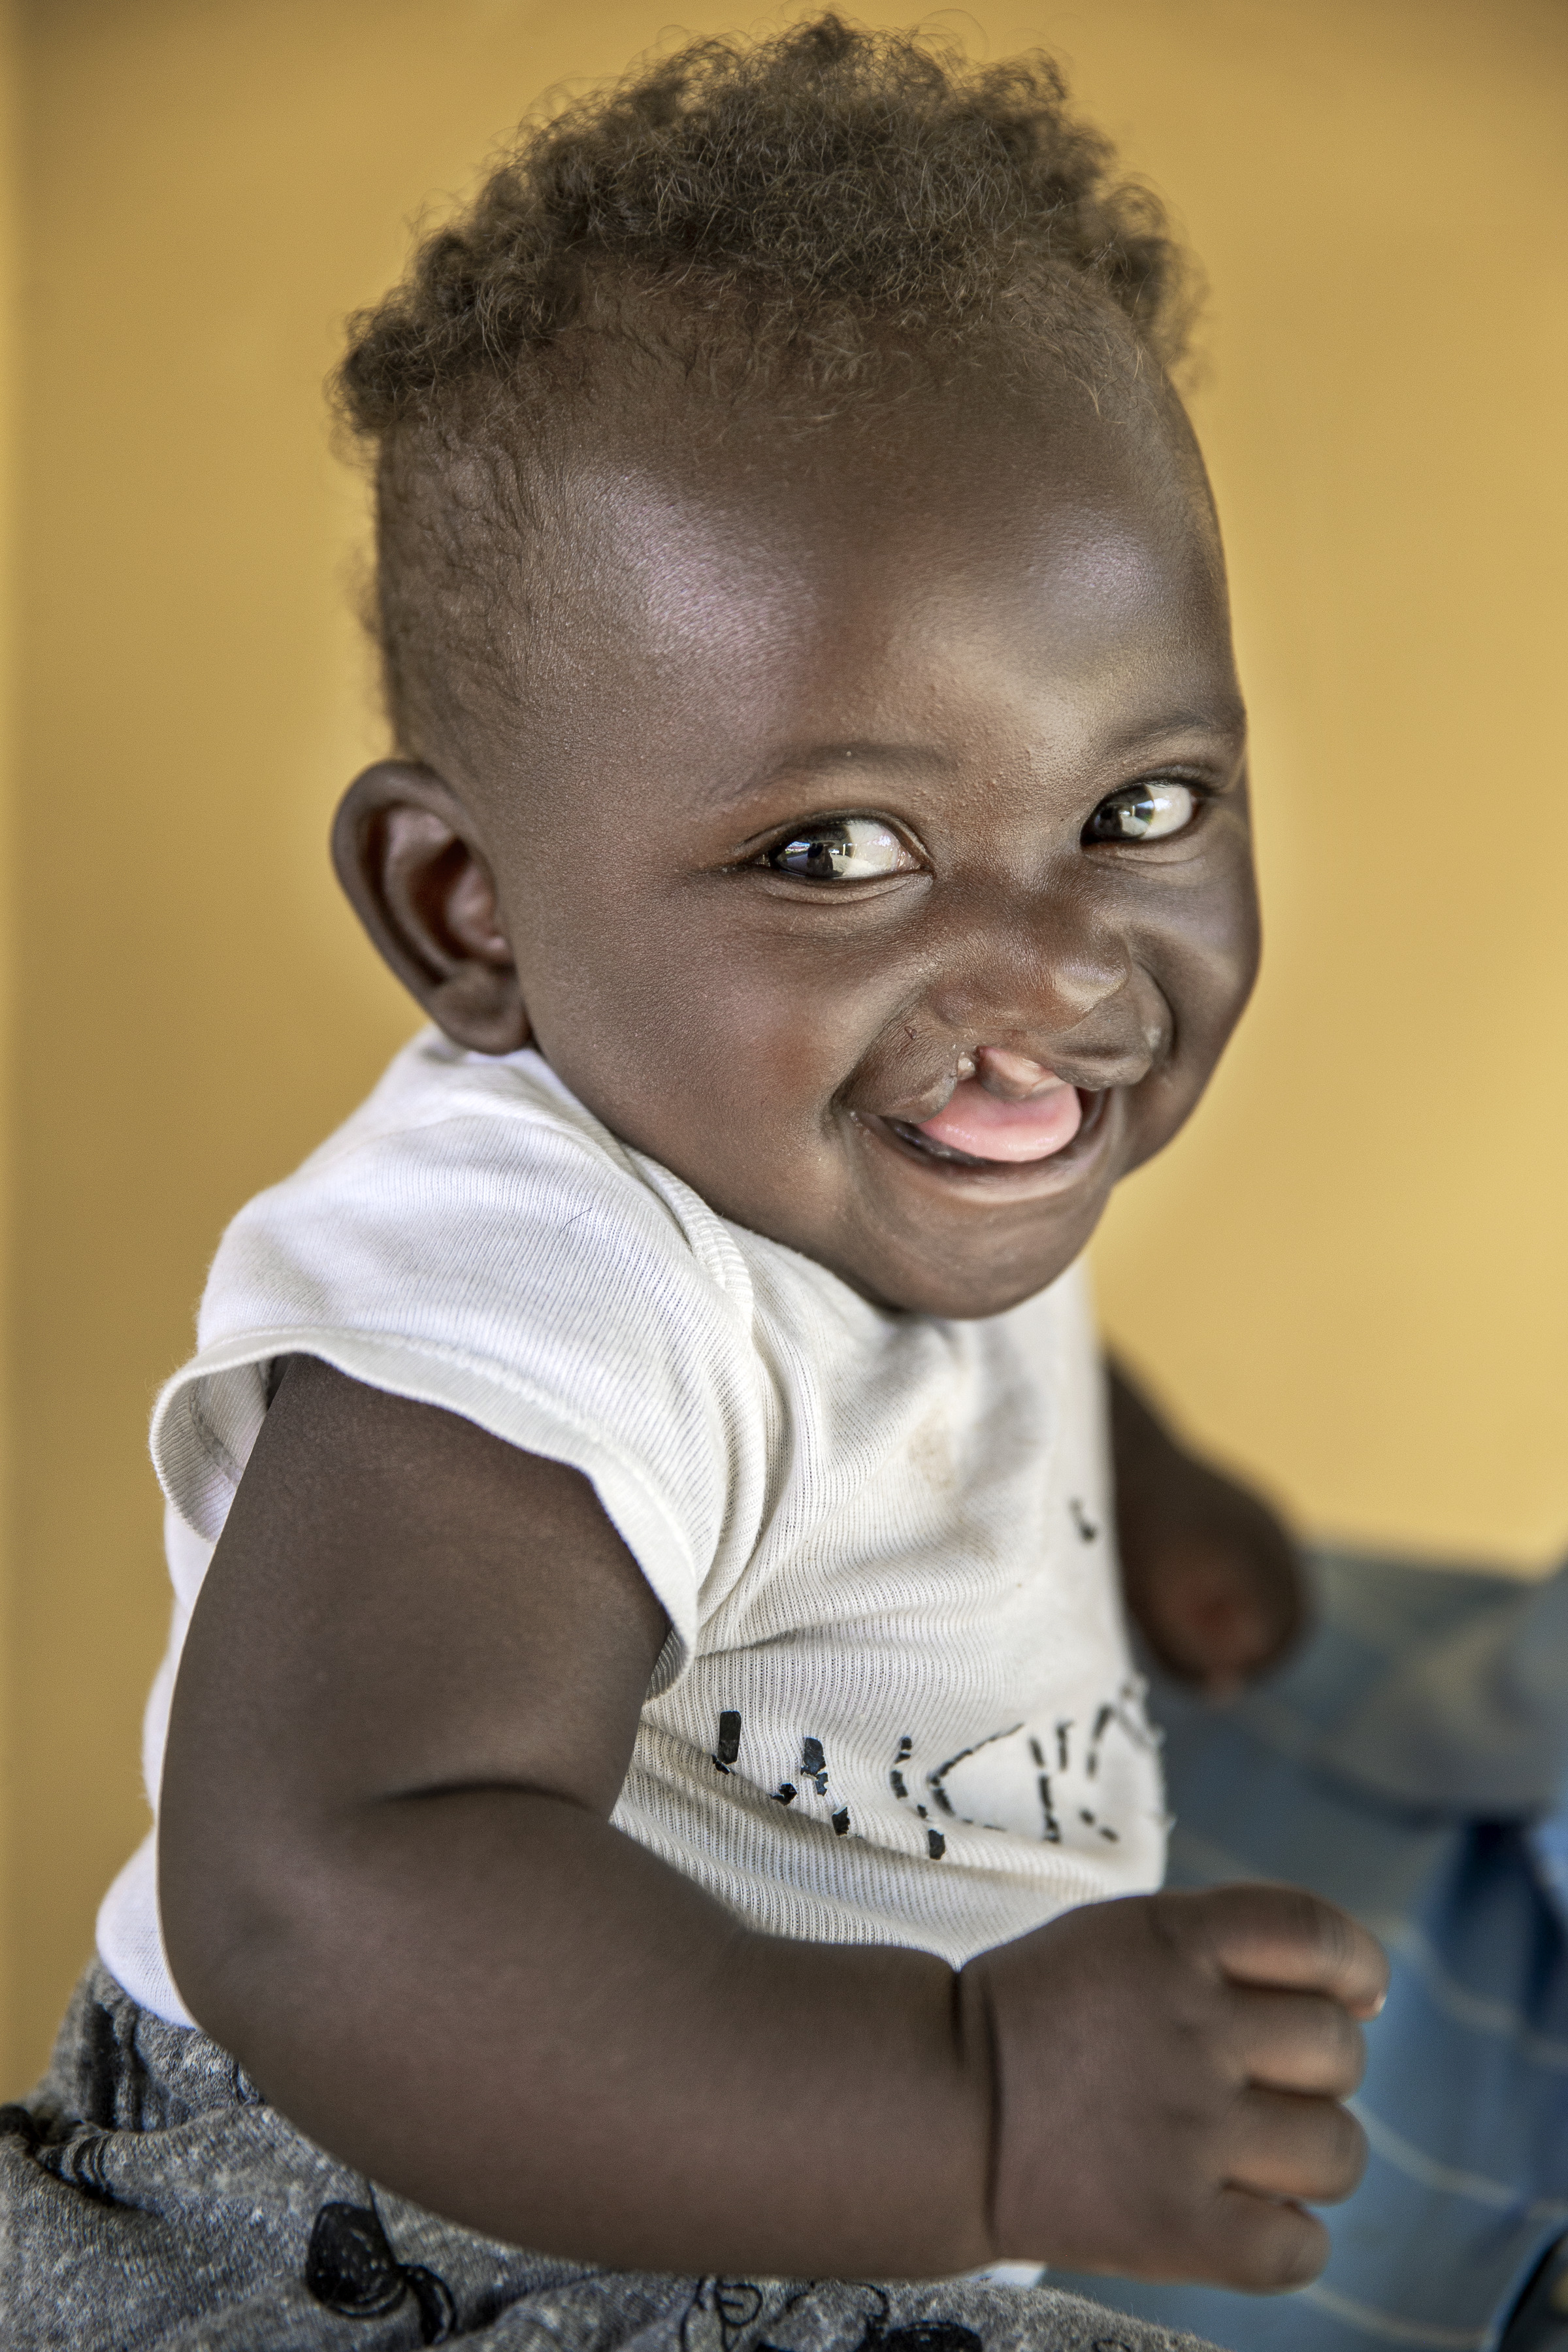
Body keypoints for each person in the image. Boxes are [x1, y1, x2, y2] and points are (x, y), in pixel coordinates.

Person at [0, 22, 1392, 2347]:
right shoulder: (537, 1289)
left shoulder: (866, 1143)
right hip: (402, 2236)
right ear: (472, 915)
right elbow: (327, 1886)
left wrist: (1143, 1494)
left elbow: (930, 1354)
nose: (1052, 965)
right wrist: (971, 2110)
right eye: (839, 853)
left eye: (1141, 808)